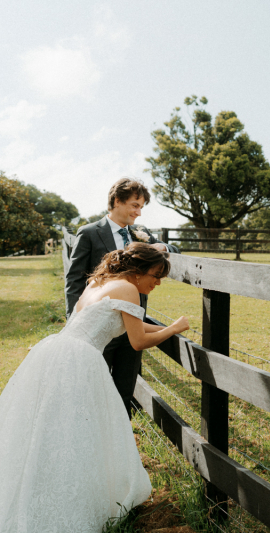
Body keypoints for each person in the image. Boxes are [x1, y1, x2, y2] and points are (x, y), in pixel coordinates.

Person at [0, 243, 190, 532]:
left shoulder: (98, 282)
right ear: (138, 271)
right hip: (81, 359)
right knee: (75, 430)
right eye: (155, 275)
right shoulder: (129, 289)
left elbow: (133, 325)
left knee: (52, 427)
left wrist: (168, 326)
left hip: (57, 350)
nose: (158, 283)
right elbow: (138, 340)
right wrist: (173, 329)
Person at [65, 177, 180, 418]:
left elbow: (174, 250)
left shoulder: (141, 234)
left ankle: (121, 431)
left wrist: (163, 248)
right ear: (117, 201)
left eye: (141, 207)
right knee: (94, 386)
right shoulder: (90, 233)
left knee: (126, 386)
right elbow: (75, 280)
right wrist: (76, 321)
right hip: (101, 325)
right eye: (134, 205)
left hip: (133, 323)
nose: (138, 212)